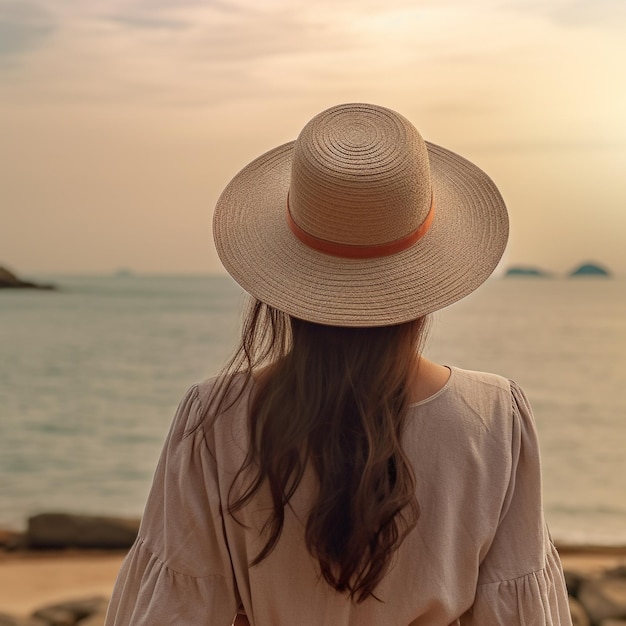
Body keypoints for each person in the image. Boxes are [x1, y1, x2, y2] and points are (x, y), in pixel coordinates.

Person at [105, 103, 572, 625]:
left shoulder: (214, 418)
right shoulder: (494, 417)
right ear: (424, 275)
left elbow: (178, 611)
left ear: (283, 276)